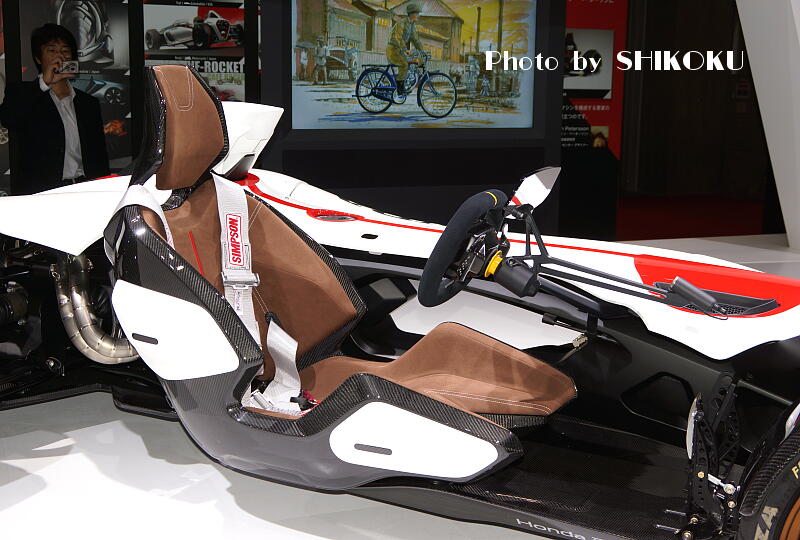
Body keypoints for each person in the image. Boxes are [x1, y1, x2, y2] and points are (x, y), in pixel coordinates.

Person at [0, 23, 108, 195]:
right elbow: (9, 118)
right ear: (38, 58)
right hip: (41, 194)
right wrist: (44, 83)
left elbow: (99, 156)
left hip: (84, 191)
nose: (60, 56)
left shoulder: (88, 103)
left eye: (65, 51)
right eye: (52, 51)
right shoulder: (22, 93)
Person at [387, 3, 423, 95]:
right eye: (417, 13)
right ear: (412, 14)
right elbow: (397, 38)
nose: (418, 16)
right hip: (393, 50)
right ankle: (400, 90)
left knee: (413, 62)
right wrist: (405, 49)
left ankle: (407, 83)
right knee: (404, 64)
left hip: (400, 51)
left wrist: (422, 50)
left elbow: (415, 39)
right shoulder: (401, 23)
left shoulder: (411, 25)